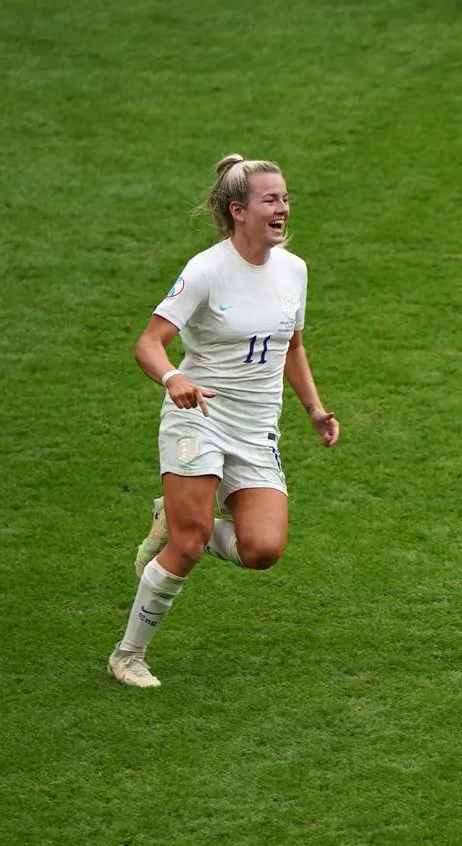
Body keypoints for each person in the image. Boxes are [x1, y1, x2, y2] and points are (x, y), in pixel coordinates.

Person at [107, 154, 340, 688]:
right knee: (185, 548)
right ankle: (127, 655)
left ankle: (176, 517)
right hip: (200, 415)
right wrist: (174, 380)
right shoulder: (206, 269)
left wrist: (314, 409)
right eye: (271, 200)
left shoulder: (294, 269)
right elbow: (149, 344)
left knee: (263, 550)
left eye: (285, 198)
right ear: (238, 210)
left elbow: (292, 346)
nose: (283, 208)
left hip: (257, 429)